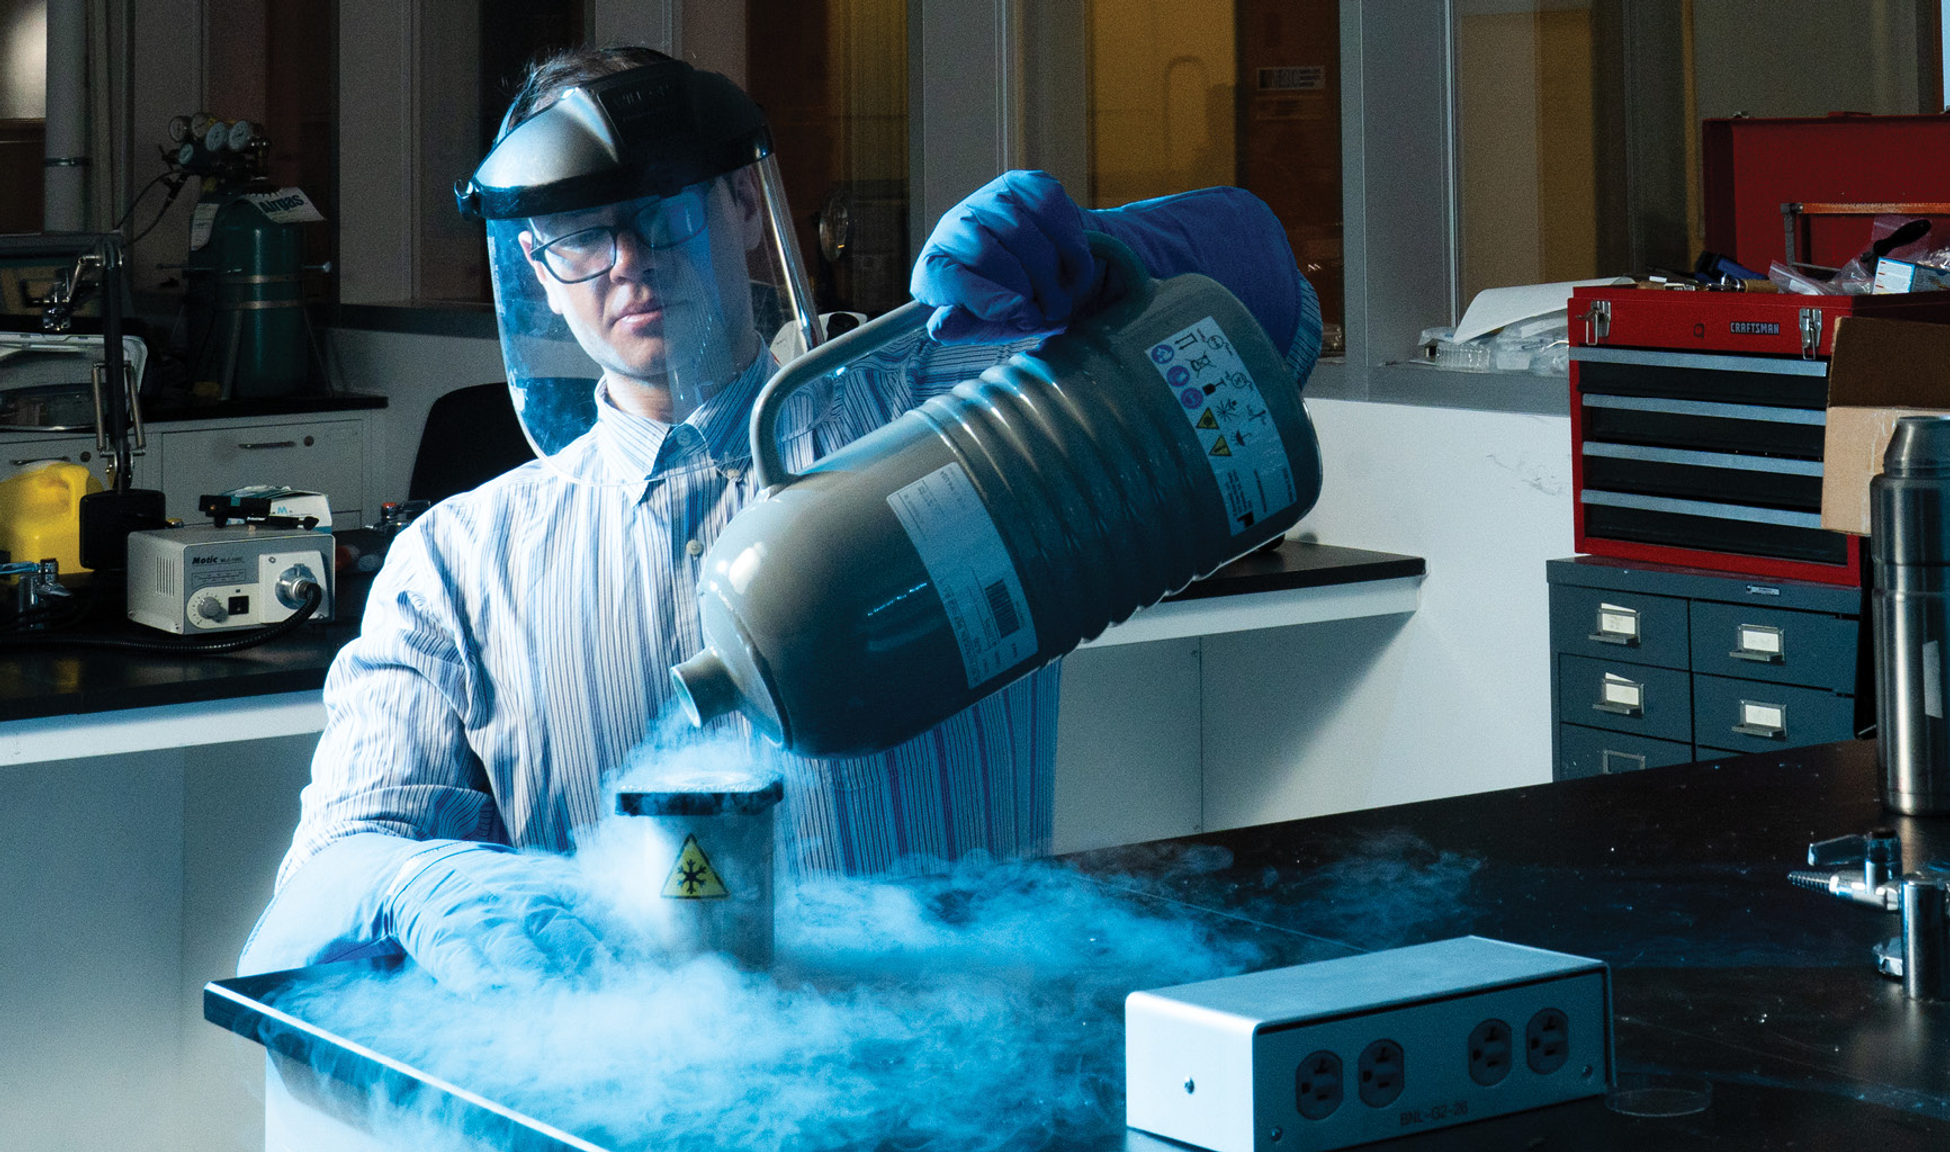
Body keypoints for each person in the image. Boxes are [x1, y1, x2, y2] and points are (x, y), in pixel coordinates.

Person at [239, 46, 1321, 993]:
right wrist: (416, 884)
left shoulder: (935, 414)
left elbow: (1273, 329)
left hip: (974, 1073)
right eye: (579, 232)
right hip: (623, 1109)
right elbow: (303, 909)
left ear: (746, 209)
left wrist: (1112, 255)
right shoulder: (461, 564)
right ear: (534, 266)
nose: (626, 260)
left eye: (661, 208)